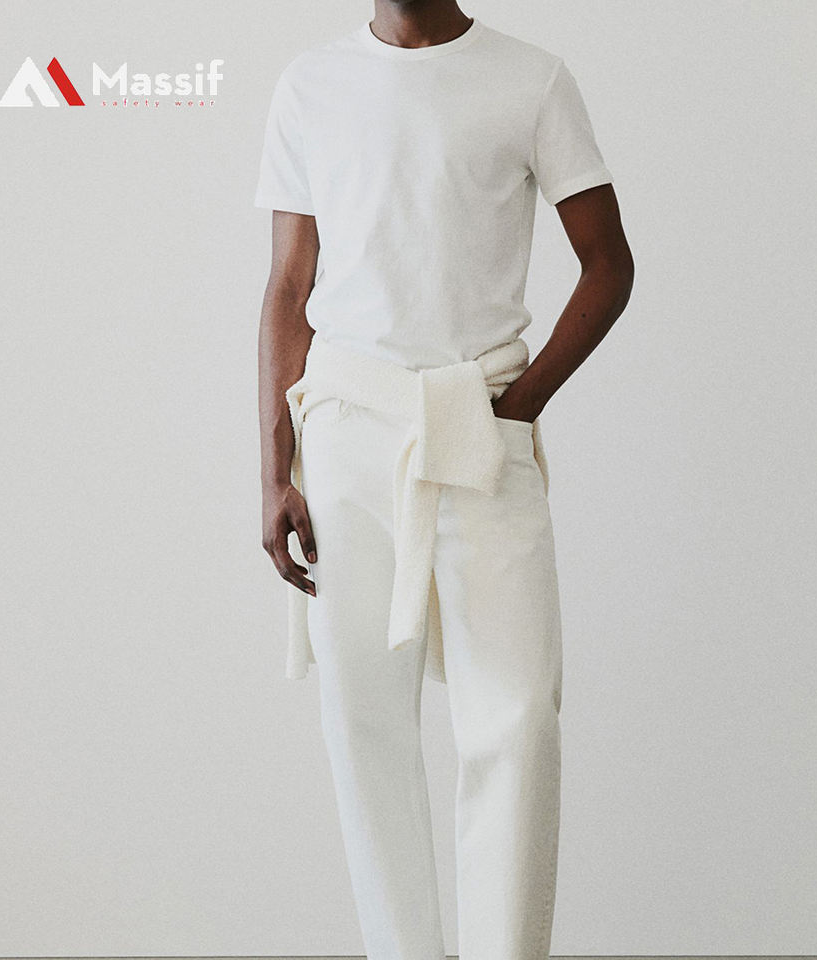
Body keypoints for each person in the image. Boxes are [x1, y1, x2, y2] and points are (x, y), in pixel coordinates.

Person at [254, 2, 633, 957]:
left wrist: (517, 407)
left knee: (515, 718)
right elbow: (290, 286)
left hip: (477, 421)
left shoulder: (531, 79)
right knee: (364, 722)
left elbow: (608, 264)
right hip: (344, 431)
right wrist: (273, 471)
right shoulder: (310, 85)